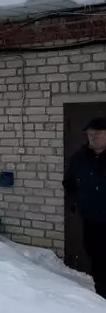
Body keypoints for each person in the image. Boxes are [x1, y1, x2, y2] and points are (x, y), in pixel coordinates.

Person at [64, 117, 106, 296]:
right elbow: (69, 182)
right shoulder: (80, 158)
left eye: (97, 133)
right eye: (90, 134)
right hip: (92, 220)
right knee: (97, 259)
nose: (93, 137)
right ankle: (102, 297)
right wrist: (74, 202)